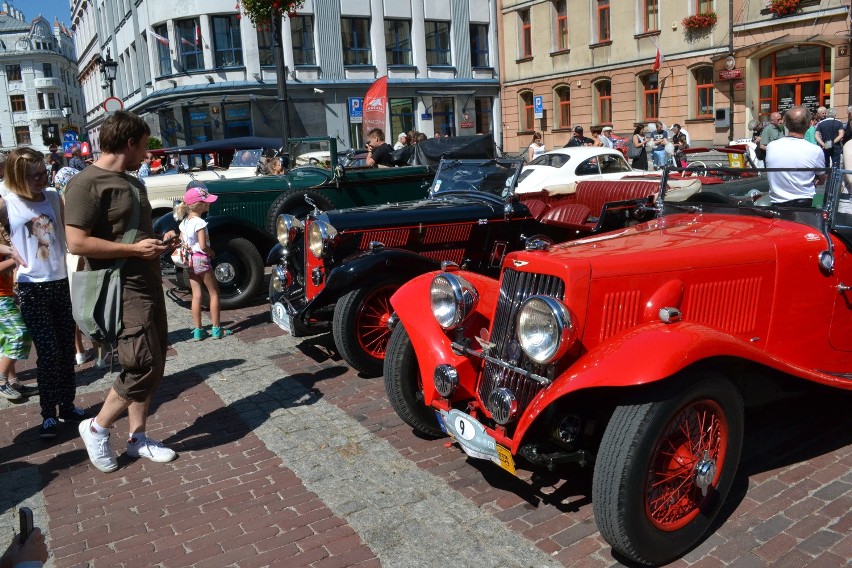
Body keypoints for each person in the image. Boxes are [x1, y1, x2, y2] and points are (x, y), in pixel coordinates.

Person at [65, 111, 178, 472]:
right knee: (141, 363)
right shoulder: (86, 184)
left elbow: (132, 237)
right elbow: (76, 243)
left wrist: (160, 243)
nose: (147, 154)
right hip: (120, 287)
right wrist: (133, 251)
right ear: (129, 143)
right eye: (144, 146)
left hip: (146, 282)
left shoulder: (133, 182)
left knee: (155, 361)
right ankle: (97, 427)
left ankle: (137, 438)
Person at [0, 147, 89, 438]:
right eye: (32, 175)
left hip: (60, 282)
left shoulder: (52, 197)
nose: (40, 179)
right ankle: (48, 413)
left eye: (43, 173)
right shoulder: (7, 204)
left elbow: (51, 240)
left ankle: (67, 405)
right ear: (17, 176)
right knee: (48, 352)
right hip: (31, 288)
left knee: (65, 349)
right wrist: (8, 252)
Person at [174, 186, 230, 341]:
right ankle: (216, 329)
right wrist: (212, 253)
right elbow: (203, 246)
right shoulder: (200, 222)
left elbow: (181, 241)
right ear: (199, 205)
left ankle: (198, 330)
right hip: (201, 259)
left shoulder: (184, 222)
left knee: (196, 294)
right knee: (214, 293)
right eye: (206, 202)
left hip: (190, 261)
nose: (209, 204)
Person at [766, 105, 825, 206]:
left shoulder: (771, 146)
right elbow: (822, 178)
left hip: (777, 204)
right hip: (802, 205)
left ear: (786, 124)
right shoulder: (815, 150)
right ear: (810, 124)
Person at [0, 238, 30, 401]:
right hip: (0, 298)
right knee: (19, 335)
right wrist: (18, 258)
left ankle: (12, 381)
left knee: (5, 340)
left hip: (5, 295)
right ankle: (1, 378)